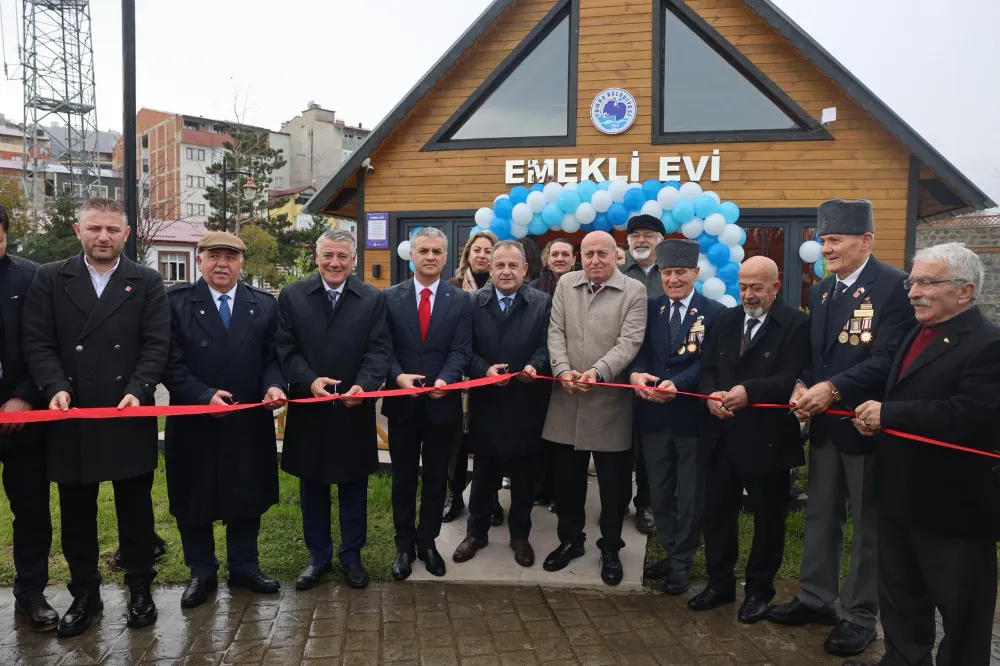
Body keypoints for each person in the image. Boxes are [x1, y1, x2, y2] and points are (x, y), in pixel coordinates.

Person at [767, 199, 915, 657]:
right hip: (827, 426)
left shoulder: (894, 287)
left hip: (865, 427)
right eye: (823, 240)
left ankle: (860, 616)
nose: (825, 248)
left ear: (865, 240)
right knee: (821, 514)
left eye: (834, 240)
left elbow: (888, 359)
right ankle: (816, 598)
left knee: (868, 526)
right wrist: (801, 385)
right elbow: (817, 356)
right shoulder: (824, 290)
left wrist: (830, 389)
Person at [845, 243, 1000, 666]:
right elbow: (904, 394)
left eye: (927, 283)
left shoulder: (988, 343)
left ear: (965, 291)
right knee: (900, 599)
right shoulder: (916, 330)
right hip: (899, 495)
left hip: (955, 508)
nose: (913, 292)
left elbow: (971, 416)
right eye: (913, 282)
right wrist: (876, 421)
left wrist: (889, 415)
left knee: (962, 612)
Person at [23, 197, 170, 637]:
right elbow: (38, 343)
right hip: (72, 413)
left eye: (111, 229)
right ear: (78, 231)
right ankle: (85, 593)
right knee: (76, 513)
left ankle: (140, 588)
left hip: (129, 411)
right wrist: (55, 386)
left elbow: (156, 343)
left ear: (126, 233)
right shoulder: (51, 278)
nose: (103, 237)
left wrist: (138, 389)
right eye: (94, 228)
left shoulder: (146, 280)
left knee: (136, 511)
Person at [161, 232, 287, 608]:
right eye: (214, 255)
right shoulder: (177, 303)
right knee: (194, 497)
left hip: (246, 422)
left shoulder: (263, 304)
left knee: (245, 494)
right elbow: (167, 362)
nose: (222, 264)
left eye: (230, 257)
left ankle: (244, 567)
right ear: (199, 260)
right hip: (194, 419)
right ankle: (201, 571)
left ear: (241, 263)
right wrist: (203, 396)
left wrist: (274, 386)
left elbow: (274, 357)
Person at [689, 256, 810, 624]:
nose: (748, 295)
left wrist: (749, 391)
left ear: (776, 287)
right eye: (743, 287)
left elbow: (791, 375)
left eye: (756, 287)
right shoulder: (725, 320)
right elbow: (707, 368)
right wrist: (710, 395)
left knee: (768, 519)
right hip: (721, 435)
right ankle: (719, 583)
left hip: (767, 438)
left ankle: (759, 589)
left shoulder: (796, 324)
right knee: (717, 514)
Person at [275, 229, 391, 591]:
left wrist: (365, 386)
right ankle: (318, 558)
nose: (335, 263)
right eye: (328, 255)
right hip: (310, 407)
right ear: (317, 257)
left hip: (353, 407)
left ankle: (352, 557)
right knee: (313, 486)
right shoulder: (293, 295)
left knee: (353, 484)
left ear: (353, 260)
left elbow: (379, 350)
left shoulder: (372, 298)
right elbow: (285, 348)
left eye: (343, 256)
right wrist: (309, 380)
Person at [541, 230, 646, 585]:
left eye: (603, 253)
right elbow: (555, 332)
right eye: (588, 254)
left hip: (610, 402)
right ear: (579, 257)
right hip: (567, 397)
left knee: (613, 487)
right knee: (567, 482)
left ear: (616, 256)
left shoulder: (634, 290)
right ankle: (571, 541)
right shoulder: (566, 284)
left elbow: (630, 341)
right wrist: (561, 370)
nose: (595, 260)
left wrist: (599, 372)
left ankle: (611, 547)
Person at [630, 238, 723, 595]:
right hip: (652, 416)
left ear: (695, 273)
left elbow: (710, 362)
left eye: (680, 272)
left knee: (690, 492)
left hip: (691, 420)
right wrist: (637, 375)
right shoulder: (648, 307)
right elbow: (637, 350)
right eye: (667, 272)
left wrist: (678, 384)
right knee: (659, 491)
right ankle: (673, 551)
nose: (672, 280)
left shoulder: (714, 312)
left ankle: (682, 561)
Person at [452, 241, 551, 567]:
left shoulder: (542, 303)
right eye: (500, 266)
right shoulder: (473, 302)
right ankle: (476, 533)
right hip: (487, 402)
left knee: (524, 476)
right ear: (490, 268)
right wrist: (484, 371)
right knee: (484, 474)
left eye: (513, 265)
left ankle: (519, 535)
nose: (506, 272)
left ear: (525, 268)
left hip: (527, 400)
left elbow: (548, 345)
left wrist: (534, 366)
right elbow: (464, 349)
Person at [383, 226, 473, 580]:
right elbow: (383, 348)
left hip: (441, 404)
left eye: (437, 251)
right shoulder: (390, 298)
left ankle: (428, 543)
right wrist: (398, 377)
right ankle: (404, 546)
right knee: (403, 478)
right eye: (424, 251)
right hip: (402, 405)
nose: (430, 257)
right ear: (412, 255)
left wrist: (446, 380)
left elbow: (461, 349)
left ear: (446, 256)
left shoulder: (460, 300)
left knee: (436, 478)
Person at [0, 205, 55, 632]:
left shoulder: (31, 278)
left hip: (21, 417)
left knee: (31, 508)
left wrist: (25, 396)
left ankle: (31, 593)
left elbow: (48, 342)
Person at [443, 230, 503, 527]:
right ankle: (454, 495)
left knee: (487, 443)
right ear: (467, 254)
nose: (481, 255)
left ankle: (490, 498)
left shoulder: (503, 288)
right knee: (456, 442)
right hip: (456, 378)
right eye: (476, 249)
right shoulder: (451, 287)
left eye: (488, 251)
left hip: (488, 378)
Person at [620, 214, 666, 535]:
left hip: (659, 371)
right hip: (621, 368)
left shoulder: (671, 273)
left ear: (660, 242)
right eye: (635, 235)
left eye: (648, 235)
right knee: (621, 441)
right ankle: (618, 498)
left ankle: (646, 503)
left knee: (650, 443)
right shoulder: (619, 274)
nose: (641, 240)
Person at [528, 237, 576, 511]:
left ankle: (561, 492)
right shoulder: (533, 288)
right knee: (540, 435)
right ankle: (540, 488)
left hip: (570, 370)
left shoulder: (582, 286)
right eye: (555, 253)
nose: (559, 258)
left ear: (573, 259)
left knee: (564, 439)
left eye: (565, 254)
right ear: (547, 258)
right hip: (541, 372)